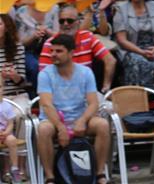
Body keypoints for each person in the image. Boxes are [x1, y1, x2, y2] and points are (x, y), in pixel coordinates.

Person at [35, 34, 111, 184]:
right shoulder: (45, 74)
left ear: (71, 53)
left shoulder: (85, 72)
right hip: (54, 120)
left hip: (79, 117)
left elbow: (93, 103)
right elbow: (46, 104)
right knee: (43, 130)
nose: (53, 55)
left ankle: (99, 173)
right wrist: (60, 127)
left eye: (58, 51)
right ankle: (50, 177)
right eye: (52, 51)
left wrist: (82, 120)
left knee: (102, 125)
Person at [39, 5, 116, 94]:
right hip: (59, 92)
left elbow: (110, 60)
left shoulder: (87, 37)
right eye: (62, 21)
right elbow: (43, 76)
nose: (65, 24)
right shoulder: (50, 44)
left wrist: (105, 87)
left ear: (78, 22)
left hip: (85, 90)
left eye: (70, 21)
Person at [0, 14, 28, 110]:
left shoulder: (18, 48)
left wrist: (14, 76)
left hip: (17, 95)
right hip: (1, 96)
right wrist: (1, 77)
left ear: (7, 28)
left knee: (18, 115)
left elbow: (23, 84)